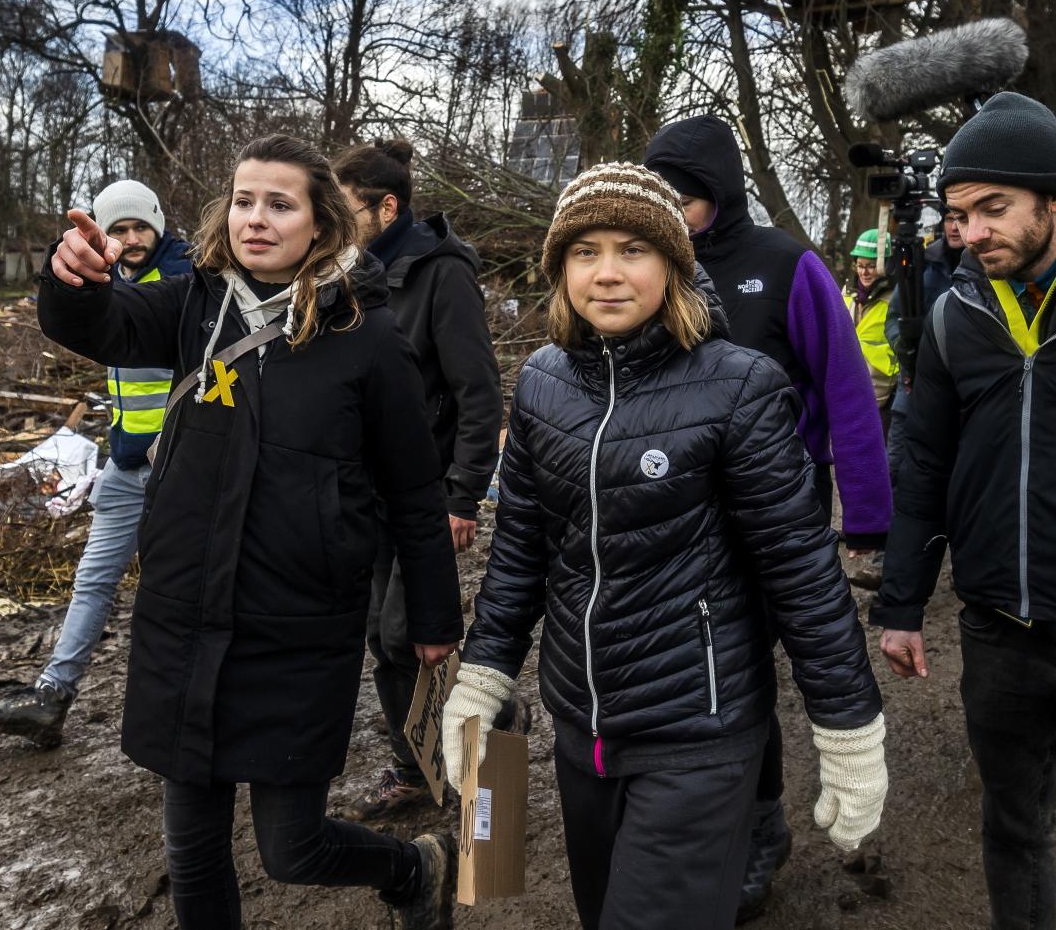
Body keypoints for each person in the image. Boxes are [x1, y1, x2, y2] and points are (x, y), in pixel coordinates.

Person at [442, 163, 888, 930]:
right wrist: (481, 679)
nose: (607, 273)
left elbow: (802, 572)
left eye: (632, 250)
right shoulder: (545, 383)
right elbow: (519, 549)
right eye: (584, 252)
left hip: (698, 736)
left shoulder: (739, 386)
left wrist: (849, 732)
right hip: (581, 729)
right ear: (559, 269)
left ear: (675, 265)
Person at [35, 135, 465, 930]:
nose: (255, 218)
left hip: (297, 626)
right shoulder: (193, 302)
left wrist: (436, 617)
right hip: (184, 612)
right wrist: (75, 281)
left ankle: (414, 867)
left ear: (322, 220)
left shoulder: (367, 337)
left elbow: (412, 490)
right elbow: (105, 325)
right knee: (192, 849)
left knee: (291, 847)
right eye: (242, 200)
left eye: (279, 203)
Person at [872, 92, 1056, 930]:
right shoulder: (957, 314)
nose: (971, 231)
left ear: (1054, 201)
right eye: (958, 213)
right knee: (1014, 833)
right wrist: (903, 604)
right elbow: (925, 466)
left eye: (994, 208)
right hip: (998, 631)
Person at [644, 116, 891, 920]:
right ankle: (713, 817)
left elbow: (848, 388)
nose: (672, 210)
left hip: (775, 502)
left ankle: (760, 826)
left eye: (686, 195)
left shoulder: (787, 264)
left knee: (746, 663)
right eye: (661, 194)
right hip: (675, 508)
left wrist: (868, 515)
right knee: (696, 665)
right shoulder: (650, 267)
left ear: (720, 191)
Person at [0, 179, 191, 748]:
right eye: (119, 229)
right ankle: (52, 696)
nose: (132, 238)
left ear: (159, 225)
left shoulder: (188, 280)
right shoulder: (109, 279)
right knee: (92, 581)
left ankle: (192, 710)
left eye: (141, 226)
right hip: (125, 466)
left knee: (182, 591)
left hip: (184, 470)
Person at [330, 139, 505, 820]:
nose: (333, 222)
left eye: (345, 209)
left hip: (428, 489)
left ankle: (487, 747)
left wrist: (464, 493)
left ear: (387, 206)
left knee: (413, 631)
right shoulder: (352, 271)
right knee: (381, 633)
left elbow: (479, 391)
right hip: (366, 490)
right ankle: (418, 766)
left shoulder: (443, 272)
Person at [883, 209, 963, 483]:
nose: (954, 227)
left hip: (963, 394)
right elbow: (893, 318)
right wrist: (904, 349)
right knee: (896, 469)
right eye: (949, 219)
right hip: (912, 388)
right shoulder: (922, 262)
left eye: (960, 219)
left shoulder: (988, 264)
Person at [844, 229, 899, 423]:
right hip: (849, 391)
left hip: (883, 394)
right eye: (860, 265)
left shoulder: (895, 298)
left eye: (871, 266)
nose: (864, 272)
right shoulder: (847, 293)